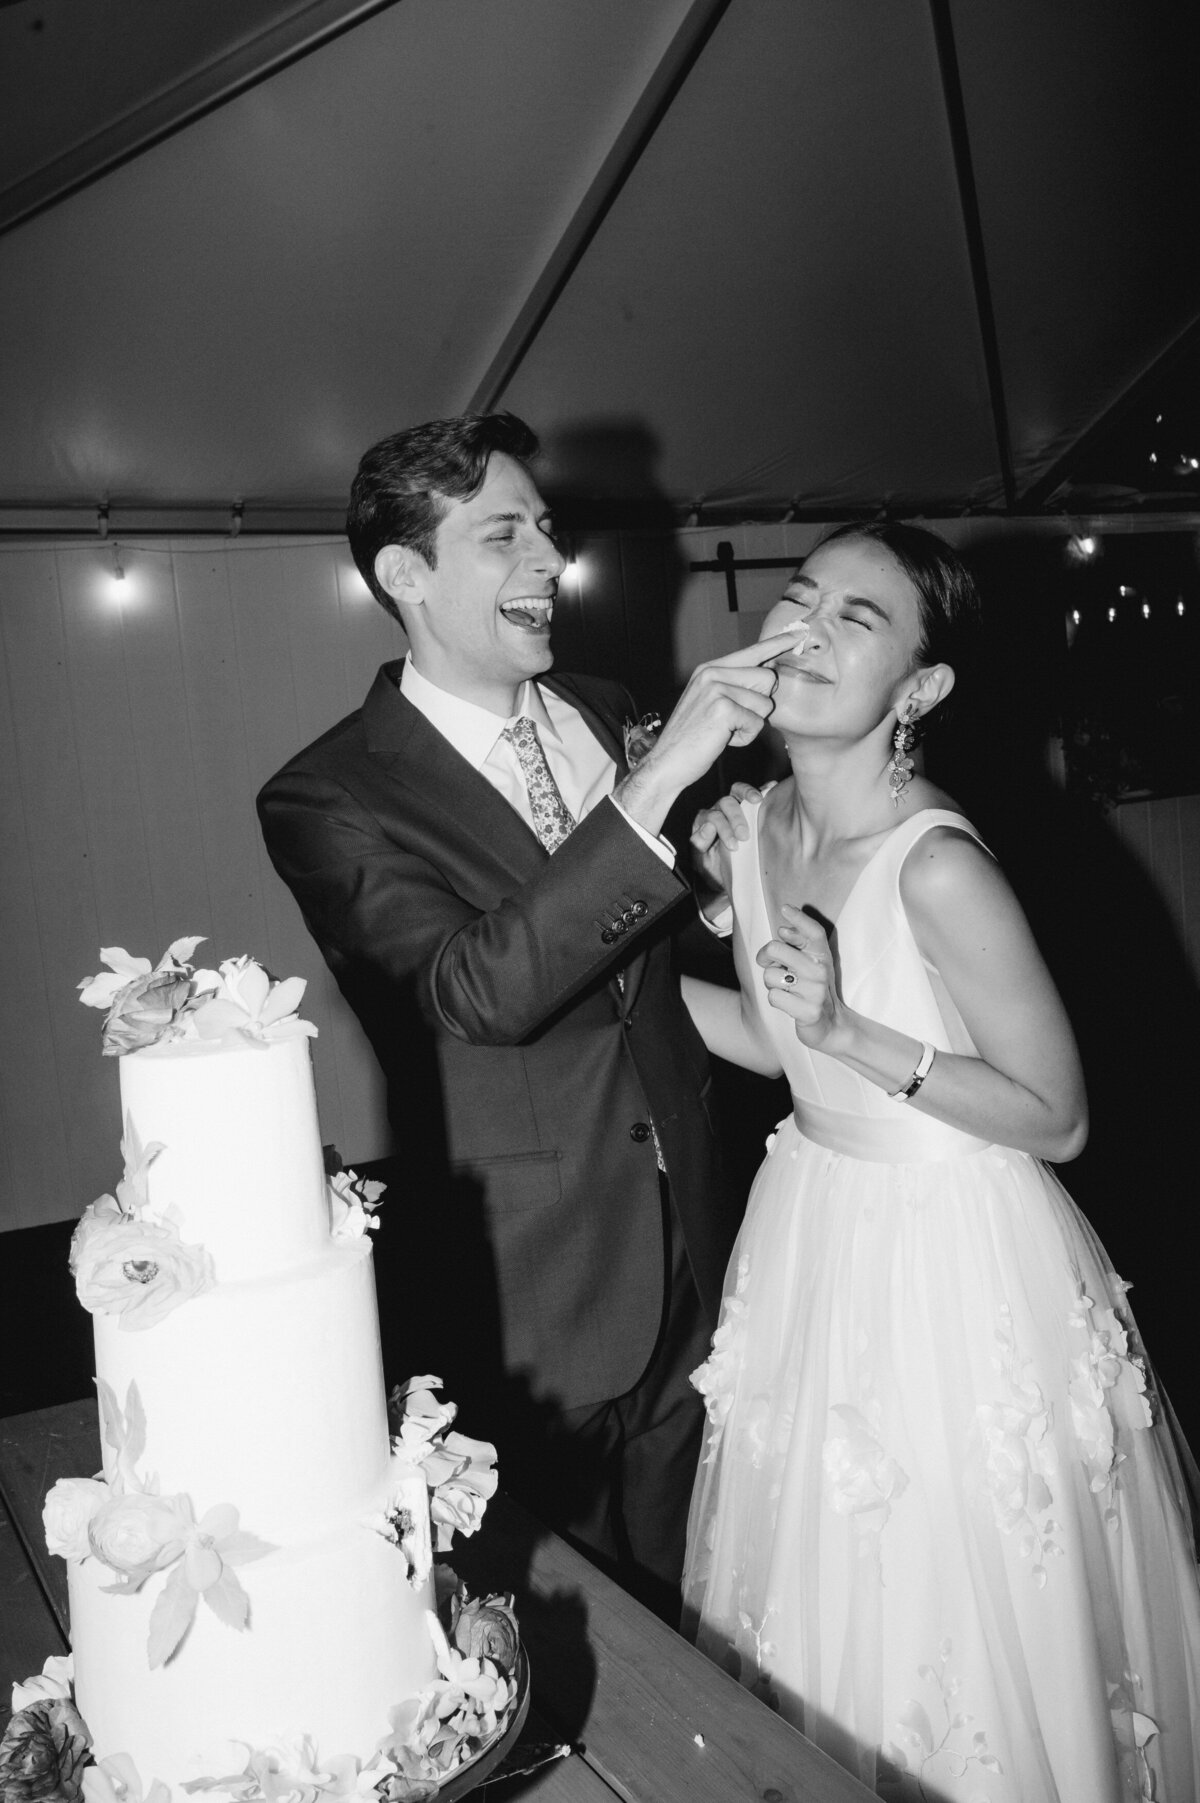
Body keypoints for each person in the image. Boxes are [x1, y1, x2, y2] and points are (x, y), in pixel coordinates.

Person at [680, 521, 1200, 1798]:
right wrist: (612, 988)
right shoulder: (749, 833)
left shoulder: (942, 868)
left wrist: (857, 1030)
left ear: (918, 690)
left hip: (953, 1257)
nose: (806, 627)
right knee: (820, 1590)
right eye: (801, 599)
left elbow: (1059, 1114)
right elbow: (767, 1038)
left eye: (857, 619)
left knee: (956, 1600)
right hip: (813, 1223)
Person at [256, 411, 802, 1617]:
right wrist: (659, 785)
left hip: (698, 1236)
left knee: (712, 1591)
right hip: (531, 1288)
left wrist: (719, 881)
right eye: (503, 537)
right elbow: (472, 992)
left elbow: (631, 971)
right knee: (572, 1636)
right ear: (405, 573)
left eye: (546, 532)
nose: (549, 563)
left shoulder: (603, 707)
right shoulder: (326, 795)